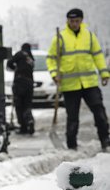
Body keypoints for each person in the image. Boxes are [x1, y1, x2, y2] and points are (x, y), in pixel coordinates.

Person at [46, 8, 110, 151]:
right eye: (71, 21)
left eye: (77, 21)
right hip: (70, 85)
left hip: (90, 84)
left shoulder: (89, 36)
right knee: (72, 117)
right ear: (67, 21)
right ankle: (72, 146)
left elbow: (98, 55)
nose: (74, 23)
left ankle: (106, 141)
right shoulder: (60, 37)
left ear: (81, 20)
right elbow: (51, 58)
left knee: (99, 112)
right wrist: (54, 73)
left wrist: (104, 73)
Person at [6, 43, 36, 134]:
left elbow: (9, 63)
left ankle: (23, 127)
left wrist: (15, 68)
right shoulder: (31, 58)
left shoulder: (19, 54)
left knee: (19, 105)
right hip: (29, 83)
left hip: (19, 82)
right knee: (27, 104)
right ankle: (29, 120)